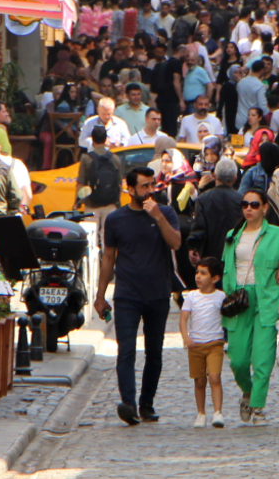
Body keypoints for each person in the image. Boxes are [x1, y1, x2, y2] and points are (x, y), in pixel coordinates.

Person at [95, 167, 181, 425]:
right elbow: (108, 258)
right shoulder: (116, 219)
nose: (149, 190)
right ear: (130, 189)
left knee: (154, 353)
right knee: (126, 350)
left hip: (158, 294)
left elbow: (176, 243)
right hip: (127, 294)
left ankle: (147, 404)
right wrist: (100, 295)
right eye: (144, 186)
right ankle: (129, 404)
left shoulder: (165, 213)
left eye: (152, 185)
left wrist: (158, 217)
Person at [220, 189, 279, 426]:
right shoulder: (232, 235)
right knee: (238, 360)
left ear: (265, 208)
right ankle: (248, 392)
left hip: (267, 298)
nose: (248, 208)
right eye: (245, 204)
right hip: (239, 301)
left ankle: (258, 407)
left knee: (263, 358)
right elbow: (227, 269)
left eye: (254, 204)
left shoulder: (277, 234)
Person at [180, 258, 227, 428]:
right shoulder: (192, 296)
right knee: (199, 381)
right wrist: (186, 337)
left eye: (203, 273)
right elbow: (183, 319)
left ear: (215, 278)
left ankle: (217, 412)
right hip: (196, 345)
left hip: (215, 343)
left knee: (214, 377)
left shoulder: (221, 296)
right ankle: (201, 413)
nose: (198, 276)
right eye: (197, 272)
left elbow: (228, 316)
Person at [188, 159, 244, 264]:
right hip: (236, 255)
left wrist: (193, 247)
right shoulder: (242, 200)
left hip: (210, 256)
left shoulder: (203, 199)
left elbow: (199, 227)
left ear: (214, 176)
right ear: (235, 179)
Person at [77, 126, 124, 249]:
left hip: (91, 203)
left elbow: (81, 182)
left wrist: (77, 202)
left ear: (92, 139)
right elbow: (119, 184)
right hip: (110, 204)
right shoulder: (115, 158)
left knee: (90, 238)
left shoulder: (86, 158)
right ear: (106, 139)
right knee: (107, 238)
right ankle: (107, 260)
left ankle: (92, 261)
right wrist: (117, 202)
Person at [235, 60, 270, 132]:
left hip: (240, 119)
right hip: (253, 121)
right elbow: (262, 105)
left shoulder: (241, 82)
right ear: (262, 70)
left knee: (239, 138)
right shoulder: (260, 86)